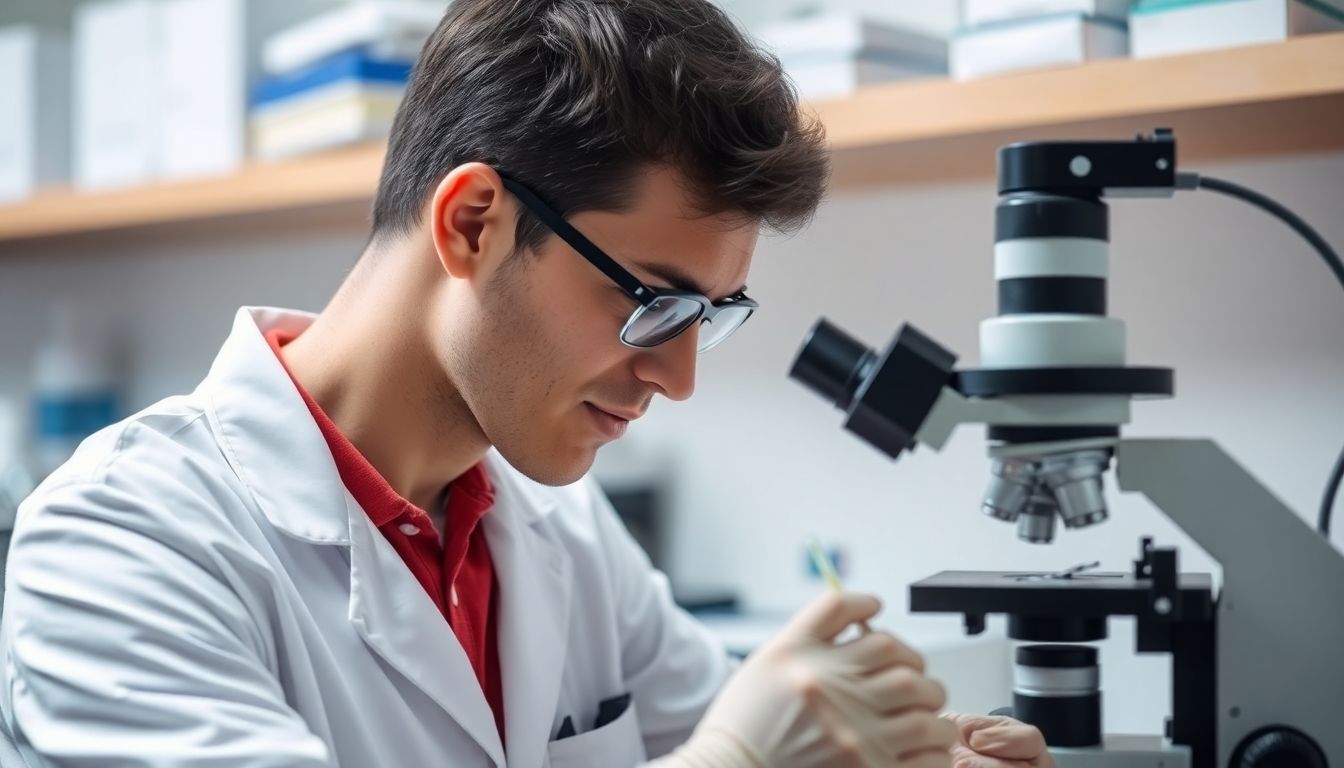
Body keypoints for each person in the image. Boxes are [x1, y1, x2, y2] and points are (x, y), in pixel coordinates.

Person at [0, 1, 1055, 767]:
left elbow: (757, 727)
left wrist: (902, 756)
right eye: (654, 303)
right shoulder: (118, 546)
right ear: (473, 223)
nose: (678, 379)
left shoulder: (564, 532)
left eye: (712, 320)